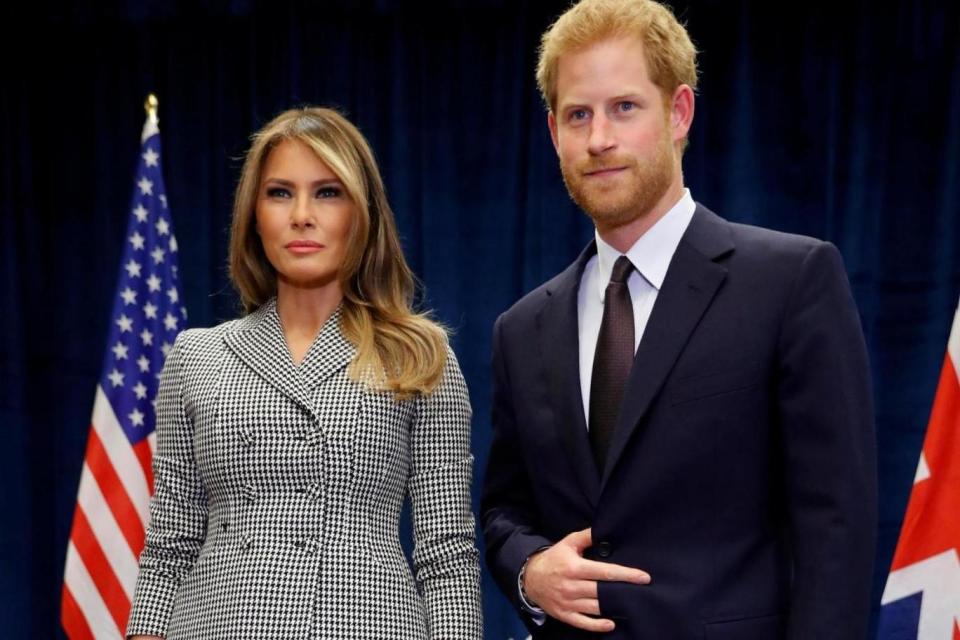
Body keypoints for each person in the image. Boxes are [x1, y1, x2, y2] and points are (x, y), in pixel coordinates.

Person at [480, 0, 877, 638]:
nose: (599, 138)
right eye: (578, 115)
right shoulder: (521, 329)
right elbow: (504, 511)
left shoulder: (790, 280)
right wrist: (529, 571)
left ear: (679, 112)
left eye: (624, 108)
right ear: (554, 133)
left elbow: (837, 527)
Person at [126, 107, 482, 640]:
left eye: (327, 192)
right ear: (253, 214)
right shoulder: (196, 356)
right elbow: (169, 545)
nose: (301, 215)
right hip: (216, 622)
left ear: (362, 213)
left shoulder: (419, 357)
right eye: (279, 193)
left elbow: (446, 553)